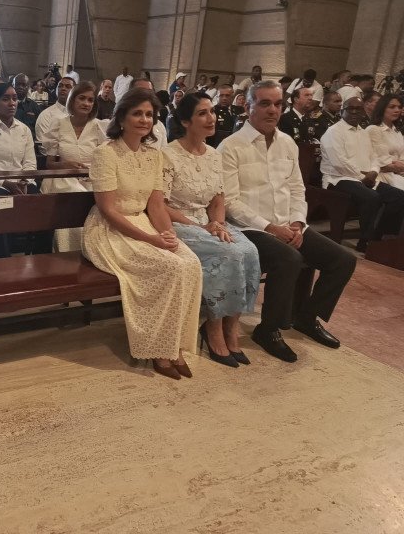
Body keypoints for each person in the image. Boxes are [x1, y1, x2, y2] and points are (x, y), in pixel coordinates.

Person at [219, 81, 356, 362]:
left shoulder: (287, 144)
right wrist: (270, 228)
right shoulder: (231, 146)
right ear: (248, 107)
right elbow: (230, 202)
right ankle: (268, 330)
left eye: (278, 104)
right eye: (265, 103)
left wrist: (296, 222)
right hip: (250, 228)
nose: (273, 110)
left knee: (343, 259)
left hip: (287, 225)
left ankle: (306, 316)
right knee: (289, 259)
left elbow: (296, 189)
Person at [81, 87, 202, 380]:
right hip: (109, 231)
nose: (144, 119)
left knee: (190, 264)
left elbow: (156, 204)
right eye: (137, 113)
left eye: (149, 114)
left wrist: (168, 234)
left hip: (145, 225)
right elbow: (108, 210)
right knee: (169, 267)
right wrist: (151, 240)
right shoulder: (105, 154)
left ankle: (175, 346)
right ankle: (158, 349)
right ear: (121, 117)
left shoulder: (155, 156)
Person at [163, 93, 261, 368]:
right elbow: (159, 204)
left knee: (249, 250)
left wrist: (217, 223)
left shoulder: (214, 156)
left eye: (212, 112)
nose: (212, 118)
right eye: (203, 113)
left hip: (208, 222)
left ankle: (232, 327)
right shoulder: (168, 155)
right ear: (185, 121)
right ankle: (213, 327)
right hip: (179, 223)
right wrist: (201, 227)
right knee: (226, 252)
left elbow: (218, 199)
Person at [320, 96, 404, 252]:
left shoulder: (363, 132)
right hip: (339, 179)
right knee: (372, 198)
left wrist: (373, 171)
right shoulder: (334, 132)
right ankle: (364, 241)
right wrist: (363, 177)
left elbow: (373, 157)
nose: (354, 112)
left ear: (363, 112)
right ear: (342, 111)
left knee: (398, 197)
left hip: (366, 178)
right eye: (349, 109)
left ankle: (380, 239)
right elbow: (339, 163)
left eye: (358, 109)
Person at [42, 81, 107, 251]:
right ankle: (68, 252)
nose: (86, 103)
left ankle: (94, 251)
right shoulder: (59, 123)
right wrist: (66, 165)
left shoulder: (98, 127)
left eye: (90, 100)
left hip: (90, 178)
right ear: (72, 100)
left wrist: (91, 172)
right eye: (82, 98)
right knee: (75, 195)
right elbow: (49, 164)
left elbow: (104, 162)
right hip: (63, 178)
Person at [367, 94, 404, 193]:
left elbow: (402, 157)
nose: (397, 110)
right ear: (382, 108)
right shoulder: (374, 130)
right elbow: (383, 164)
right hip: (383, 176)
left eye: (399, 107)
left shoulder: (397, 131)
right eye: (392, 107)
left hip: (399, 173)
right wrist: (398, 166)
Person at [35, 76, 74, 147]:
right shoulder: (46, 115)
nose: (63, 89)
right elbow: (44, 146)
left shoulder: (79, 115)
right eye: (60, 86)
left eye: (68, 87)